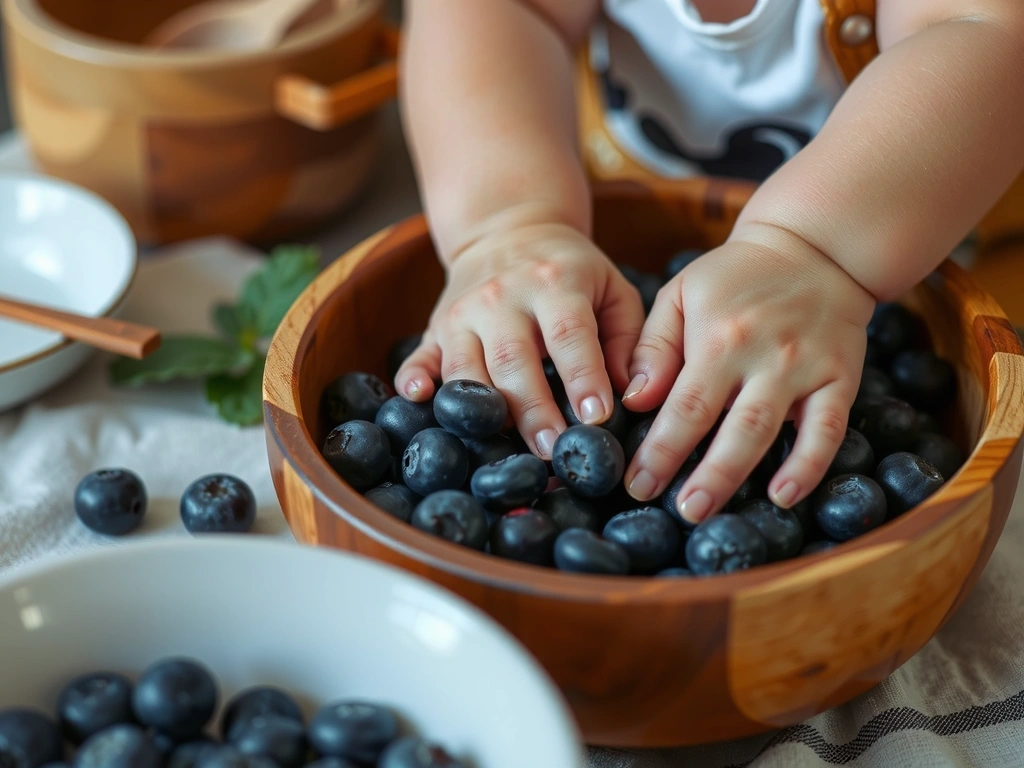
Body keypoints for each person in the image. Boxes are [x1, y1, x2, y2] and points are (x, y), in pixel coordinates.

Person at [394, 0, 1024, 525]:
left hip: (929, 243)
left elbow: (985, 28)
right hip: (618, 206)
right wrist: (507, 225)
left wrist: (810, 249)